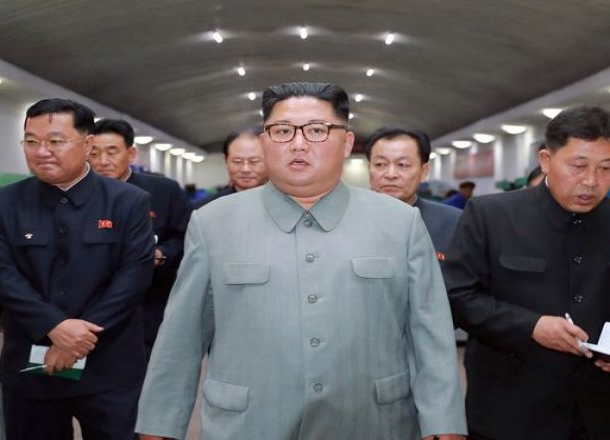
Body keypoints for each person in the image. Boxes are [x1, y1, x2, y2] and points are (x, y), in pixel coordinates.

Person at [136, 82, 466, 440]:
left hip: (370, 422)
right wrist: (159, 424)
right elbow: (182, 335)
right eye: (282, 131)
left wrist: (444, 420)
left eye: (317, 130)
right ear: (265, 141)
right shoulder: (214, 223)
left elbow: (429, 331)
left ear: (347, 143)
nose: (298, 143)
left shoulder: (399, 222)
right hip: (250, 425)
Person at [445, 105, 610, 439]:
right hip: (511, 415)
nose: (591, 181)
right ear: (546, 160)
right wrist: (530, 327)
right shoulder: (491, 216)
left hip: (603, 418)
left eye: (607, 168)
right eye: (578, 166)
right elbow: (458, 296)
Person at [0, 99, 155, 440]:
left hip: (109, 364)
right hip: (34, 363)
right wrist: (54, 326)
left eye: (56, 141)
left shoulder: (127, 201)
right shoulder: (5, 202)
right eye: (31, 141)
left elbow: (134, 276)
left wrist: (75, 340)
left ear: (87, 144)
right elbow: (0, 272)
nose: (42, 151)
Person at [89, 118, 191, 354]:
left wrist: (162, 253)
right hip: (93, 306)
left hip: (150, 304)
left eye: (112, 152)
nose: (102, 161)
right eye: (94, 154)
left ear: (131, 154)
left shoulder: (164, 191)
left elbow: (186, 237)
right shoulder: (77, 195)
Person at [365, 126, 463, 281]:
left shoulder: (454, 222)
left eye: (403, 165)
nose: (391, 174)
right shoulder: (346, 219)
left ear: (424, 171)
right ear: (369, 168)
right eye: (380, 164)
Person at [192, 126, 268, 209]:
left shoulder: (279, 205)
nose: (245, 169)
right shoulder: (206, 208)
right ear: (226, 160)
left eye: (254, 161)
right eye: (237, 162)